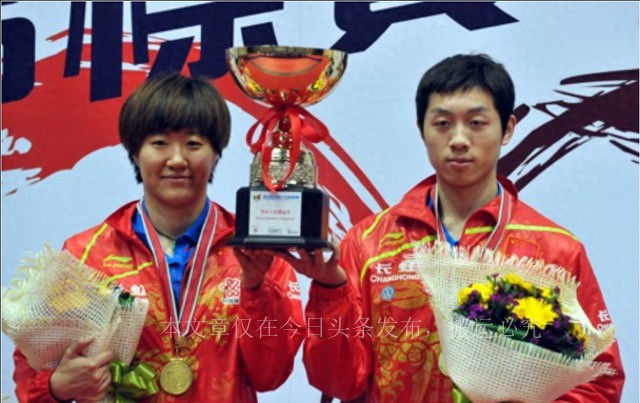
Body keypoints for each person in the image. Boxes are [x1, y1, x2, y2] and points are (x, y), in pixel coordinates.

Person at [279, 54, 625, 402]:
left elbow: (599, 382)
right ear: (421, 128)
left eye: (476, 123)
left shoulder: (554, 251)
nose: (459, 139)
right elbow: (337, 382)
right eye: (443, 123)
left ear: (507, 129)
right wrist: (330, 288)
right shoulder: (369, 243)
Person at [13, 73, 304, 402]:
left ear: (216, 153)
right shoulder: (86, 256)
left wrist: (256, 288)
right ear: (135, 153)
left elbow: (270, 375)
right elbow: (31, 367)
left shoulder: (255, 252)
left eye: (193, 144)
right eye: (159, 143)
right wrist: (56, 386)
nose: (177, 160)